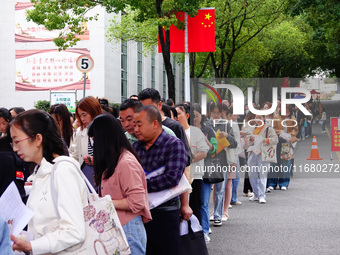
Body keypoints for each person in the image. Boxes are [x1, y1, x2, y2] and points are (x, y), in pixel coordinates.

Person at [9, 109, 88, 254]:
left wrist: (32, 246)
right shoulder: (41, 171)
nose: (14, 148)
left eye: (17, 141)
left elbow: (74, 230)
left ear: (38, 139)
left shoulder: (63, 170)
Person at [88, 114, 152, 254]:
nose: (94, 145)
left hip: (128, 229)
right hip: (117, 227)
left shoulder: (126, 163)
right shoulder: (113, 161)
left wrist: (104, 202)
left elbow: (137, 202)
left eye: (95, 140)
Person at [133, 105, 188, 255]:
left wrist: (139, 186)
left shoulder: (173, 144)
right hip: (141, 212)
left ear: (155, 124)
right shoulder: (135, 147)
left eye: (139, 125)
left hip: (165, 213)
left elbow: (172, 178)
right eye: (134, 125)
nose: (136, 129)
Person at [175, 104, 209, 223]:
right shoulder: (173, 131)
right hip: (180, 177)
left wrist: (186, 160)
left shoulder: (195, 131)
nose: (176, 117)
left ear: (187, 115)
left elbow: (204, 152)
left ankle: (200, 234)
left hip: (195, 175)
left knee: (195, 207)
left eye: (178, 114)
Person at [70, 96, 102, 187]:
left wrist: (96, 161)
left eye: (84, 115)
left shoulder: (104, 130)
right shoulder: (80, 132)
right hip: (86, 178)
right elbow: (76, 156)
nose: (82, 119)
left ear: (94, 112)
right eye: (80, 116)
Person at [246, 114, 278, 203]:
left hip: (263, 154)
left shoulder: (268, 128)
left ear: (264, 118)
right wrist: (250, 139)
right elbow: (247, 141)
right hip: (253, 153)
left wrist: (266, 140)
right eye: (257, 117)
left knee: (262, 174)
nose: (258, 119)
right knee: (252, 174)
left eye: (260, 117)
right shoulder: (252, 128)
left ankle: (261, 195)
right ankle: (256, 193)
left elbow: (275, 139)